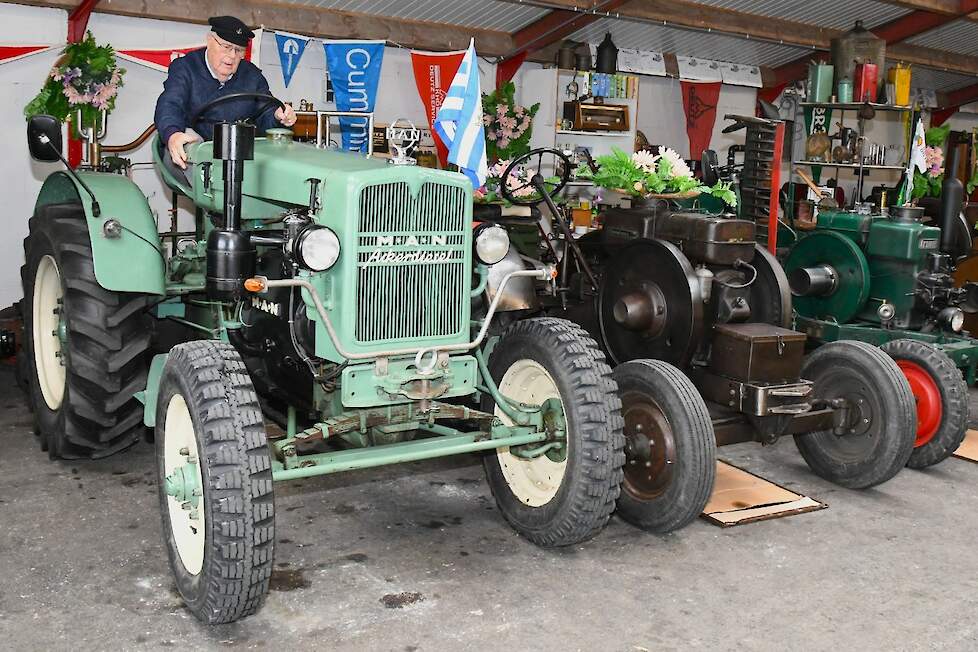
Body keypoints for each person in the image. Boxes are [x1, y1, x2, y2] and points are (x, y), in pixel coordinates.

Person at [154, 15, 297, 170]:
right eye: (226, 47)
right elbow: (170, 103)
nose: (232, 56)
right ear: (209, 41)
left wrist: (278, 117)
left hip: (238, 154)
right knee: (189, 144)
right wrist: (173, 134)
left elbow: (266, 113)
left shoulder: (253, 76)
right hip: (197, 149)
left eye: (239, 50)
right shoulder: (185, 67)